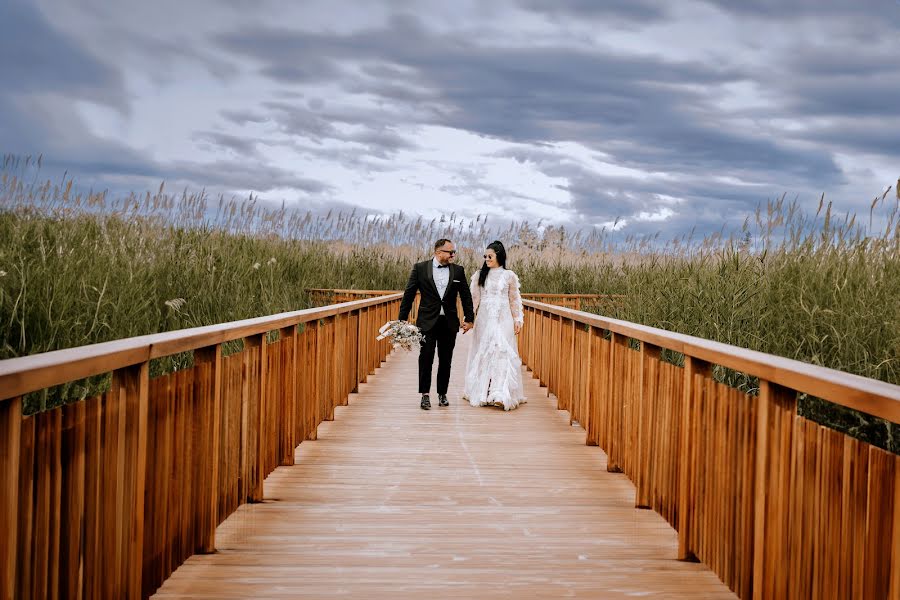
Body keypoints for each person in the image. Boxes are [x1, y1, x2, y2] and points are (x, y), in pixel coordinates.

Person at [398, 238, 475, 410]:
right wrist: (402, 318)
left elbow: (466, 296)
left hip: (449, 323)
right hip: (426, 322)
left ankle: (442, 393)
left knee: (446, 360)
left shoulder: (458, 271)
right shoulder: (420, 268)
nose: (453, 254)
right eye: (450, 252)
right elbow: (409, 293)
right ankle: (425, 395)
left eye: (453, 251)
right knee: (426, 358)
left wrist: (469, 319)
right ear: (438, 252)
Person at [462, 240, 526, 411]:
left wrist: (518, 319)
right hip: (484, 318)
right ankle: (483, 390)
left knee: (501, 352)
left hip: (504, 318)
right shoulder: (478, 275)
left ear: (499, 255)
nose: (487, 259)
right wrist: (469, 320)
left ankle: (500, 393)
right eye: (485, 256)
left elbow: (514, 299)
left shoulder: (509, 275)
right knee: (484, 352)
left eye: (490, 256)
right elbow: (474, 300)